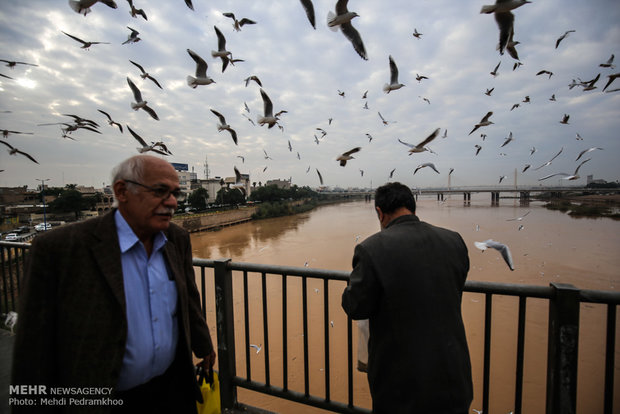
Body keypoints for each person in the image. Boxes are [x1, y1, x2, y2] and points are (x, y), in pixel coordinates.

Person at [12, 155, 216, 413]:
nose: (172, 202)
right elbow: (32, 352)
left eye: (175, 193)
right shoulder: (59, 250)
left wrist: (203, 344)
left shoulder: (176, 239)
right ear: (122, 191)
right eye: (160, 191)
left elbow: (188, 298)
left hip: (173, 390)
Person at [341, 182, 473, 414]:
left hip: (403, 387)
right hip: (453, 375)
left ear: (380, 213)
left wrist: (354, 282)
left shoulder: (371, 249)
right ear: (412, 206)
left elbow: (356, 306)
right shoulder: (454, 241)